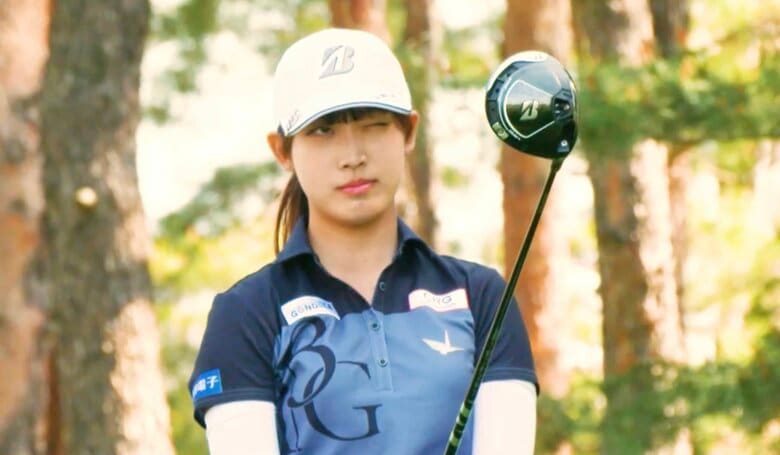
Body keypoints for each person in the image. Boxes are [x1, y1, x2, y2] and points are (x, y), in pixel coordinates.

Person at [189, 27, 538, 455]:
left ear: (408, 131)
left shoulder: (480, 297)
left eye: (374, 125)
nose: (353, 155)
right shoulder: (246, 313)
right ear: (282, 150)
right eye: (323, 131)